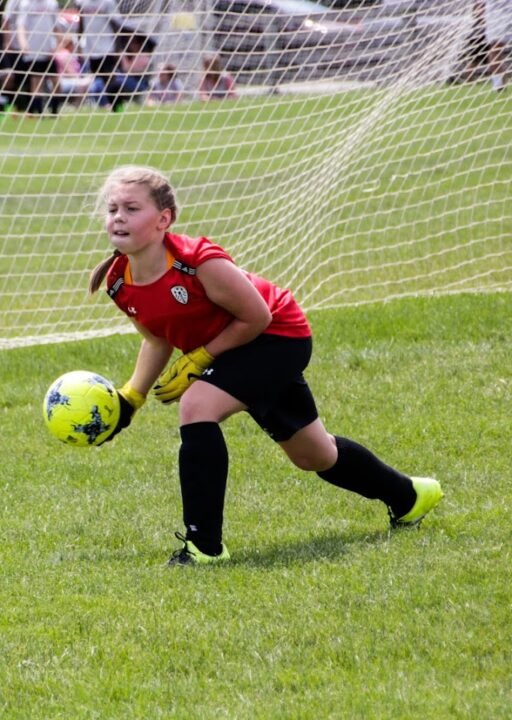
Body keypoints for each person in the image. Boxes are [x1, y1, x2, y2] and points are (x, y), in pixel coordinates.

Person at [88, 165, 444, 566]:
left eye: (131, 208)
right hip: (237, 348)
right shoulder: (119, 282)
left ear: (164, 220)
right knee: (314, 456)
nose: (118, 217)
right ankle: (410, 497)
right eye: (112, 208)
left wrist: (201, 359)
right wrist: (132, 397)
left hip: (277, 336)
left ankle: (204, 547)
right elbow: (158, 336)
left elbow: (257, 317)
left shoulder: (198, 262)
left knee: (197, 406)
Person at [16, 0, 60, 115]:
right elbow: (21, 25)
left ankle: (54, 111)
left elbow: (55, 26)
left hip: (48, 48)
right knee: (36, 81)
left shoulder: (52, 4)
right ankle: (39, 113)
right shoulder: (25, 4)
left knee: (56, 81)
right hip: (33, 48)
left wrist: (56, 44)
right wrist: (23, 42)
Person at [76, 0, 123, 108]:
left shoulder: (108, 3)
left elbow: (116, 23)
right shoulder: (82, 2)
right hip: (91, 47)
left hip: (107, 46)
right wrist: (79, 43)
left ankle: (118, 107)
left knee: (109, 76)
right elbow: (81, 23)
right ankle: (114, 105)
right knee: (101, 77)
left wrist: (118, 47)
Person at [53, 34, 94, 107]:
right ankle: (78, 104)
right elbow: (70, 72)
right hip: (65, 81)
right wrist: (81, 80)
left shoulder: (63, 53)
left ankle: (78, 104)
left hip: (66, 81)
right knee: (87, 83)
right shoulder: (64, 54)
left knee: (89, 81)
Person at [484, 0, 511, 91]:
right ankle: (498, 84)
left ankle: (499, 83)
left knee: (495, 48)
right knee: (496, 47)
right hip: (497, 13)